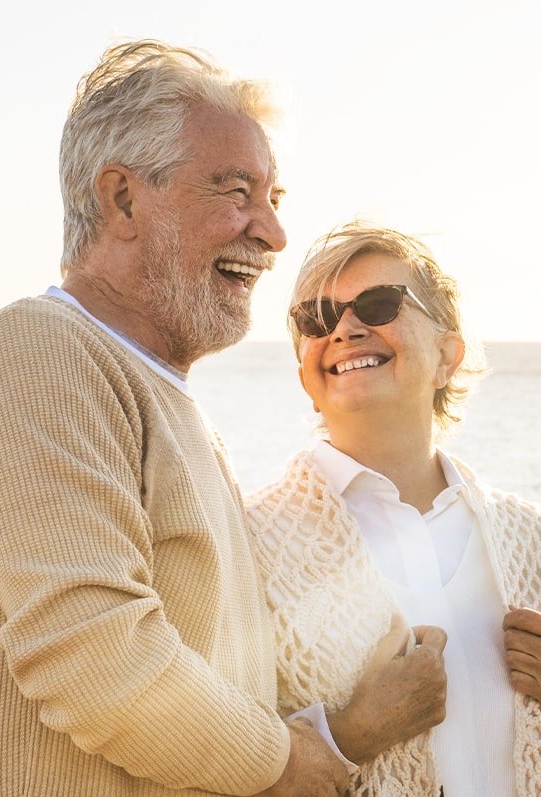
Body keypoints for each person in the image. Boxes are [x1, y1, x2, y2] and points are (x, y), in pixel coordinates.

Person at [0, 39, 353, 797]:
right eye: (234, 191)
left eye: (273, 199)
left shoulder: (172, 401)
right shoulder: (38, 348)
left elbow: (223, 677)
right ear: (121, 199)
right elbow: (94, 655)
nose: (272, 233)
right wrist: (286, 761)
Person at [246, 219, 541, 796]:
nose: (345, 329)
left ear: (447, 356)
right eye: (316, 319)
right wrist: (349, 734)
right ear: (305, 371)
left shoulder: (531, 540)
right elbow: (210, 764)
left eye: (379, 304)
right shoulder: (244, 541)